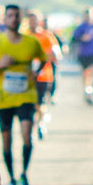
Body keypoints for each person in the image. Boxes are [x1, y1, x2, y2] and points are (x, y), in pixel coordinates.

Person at [0, 4, 46, 185]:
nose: (13, 19)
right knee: (7, 142)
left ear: (21, 20)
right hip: (4, 100)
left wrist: (35, 72)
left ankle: (24, 175)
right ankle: (11, 179)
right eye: (10, 16)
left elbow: (43, 59)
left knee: (27, 136)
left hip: (26, 97)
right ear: (4, 19)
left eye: (17, 16)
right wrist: (1, 65)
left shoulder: (31, 42)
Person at [27, 10, 61, 139]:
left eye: (35, 20)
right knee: (32, 103)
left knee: (40, 103)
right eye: (30, 20)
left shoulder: (47, 36)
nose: (32, 23)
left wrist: (48, 56)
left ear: (39, 21)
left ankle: (40, 123)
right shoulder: (25, 36)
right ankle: (37, 123)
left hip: (44, 75)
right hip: (29, 76)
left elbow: (57, 54)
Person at [72, 8, 93, 104]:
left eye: (90, 15)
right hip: (83, 54)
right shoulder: (81, 27)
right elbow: (74, 39)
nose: (88, 17)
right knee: (86, 74)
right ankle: (87, 92)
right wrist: (82, 38)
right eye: (86, 15)